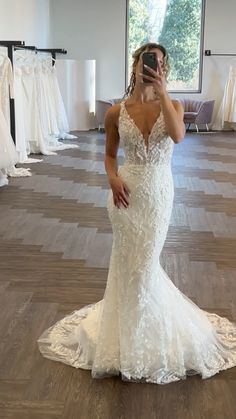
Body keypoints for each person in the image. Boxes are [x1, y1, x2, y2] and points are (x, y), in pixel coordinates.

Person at [38, 43, 236, 384]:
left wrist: (162, 92)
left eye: (158, 63)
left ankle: (145, 332)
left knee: (145, 265)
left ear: (164, 69)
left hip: (158, 195)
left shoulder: (172, 105)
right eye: (147, 61)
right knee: (128, 264)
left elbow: (177, 136)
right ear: (134, 66)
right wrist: (112, 178)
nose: (151, 67)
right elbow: (111, 155)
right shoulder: (116, 112)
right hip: (125, 195)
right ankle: (125, 333)